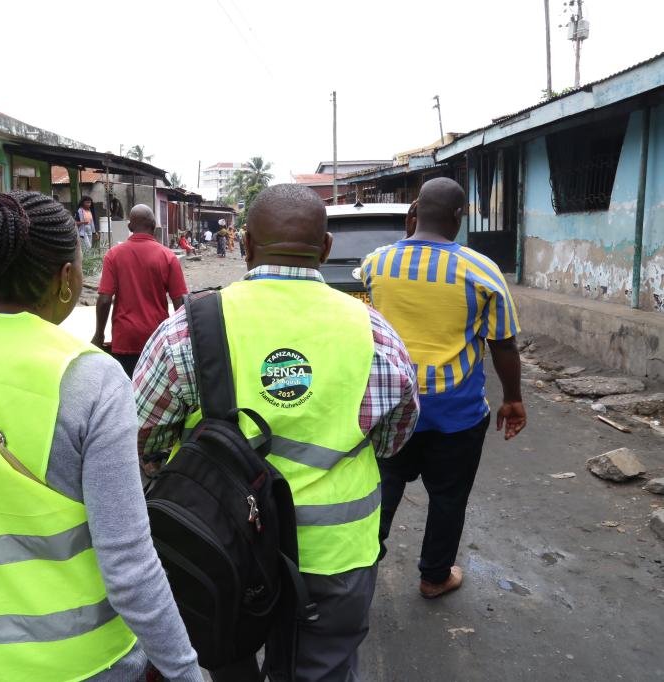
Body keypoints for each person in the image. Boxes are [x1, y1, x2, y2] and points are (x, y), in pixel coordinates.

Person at [0, 191, 201, 682]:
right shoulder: (92, 379)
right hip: (78, 663)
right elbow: (129, 565)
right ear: (68, 279)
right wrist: (185, 671)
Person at [134, 184, 419, 681]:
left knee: (222, 659)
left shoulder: (190, 328)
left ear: (244, 245)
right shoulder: (374, 331)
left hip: (218, 544)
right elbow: (394, 437)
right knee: (322, 670)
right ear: (325, 249)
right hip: (335, 553)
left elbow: (141, 437)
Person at [363, 177, 526, 599]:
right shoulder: (481, 270)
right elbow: (503, 343)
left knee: (383, 488)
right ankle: (435, 576)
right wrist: (512, 398)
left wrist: (407, 234)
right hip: (456, 413)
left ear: (413, 212)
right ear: (459, 216)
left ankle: (359, 568)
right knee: (448, 497)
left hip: (391, 408)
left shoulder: (377, 263)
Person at [93, 204, 188, 377]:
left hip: (124, 340)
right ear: (153, 226)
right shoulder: (168, 257)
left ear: (130, 226)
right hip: (158, 340)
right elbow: (180, 303)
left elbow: (105, 299)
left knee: (127, 394)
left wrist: (99, 335)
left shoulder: (113, 255)